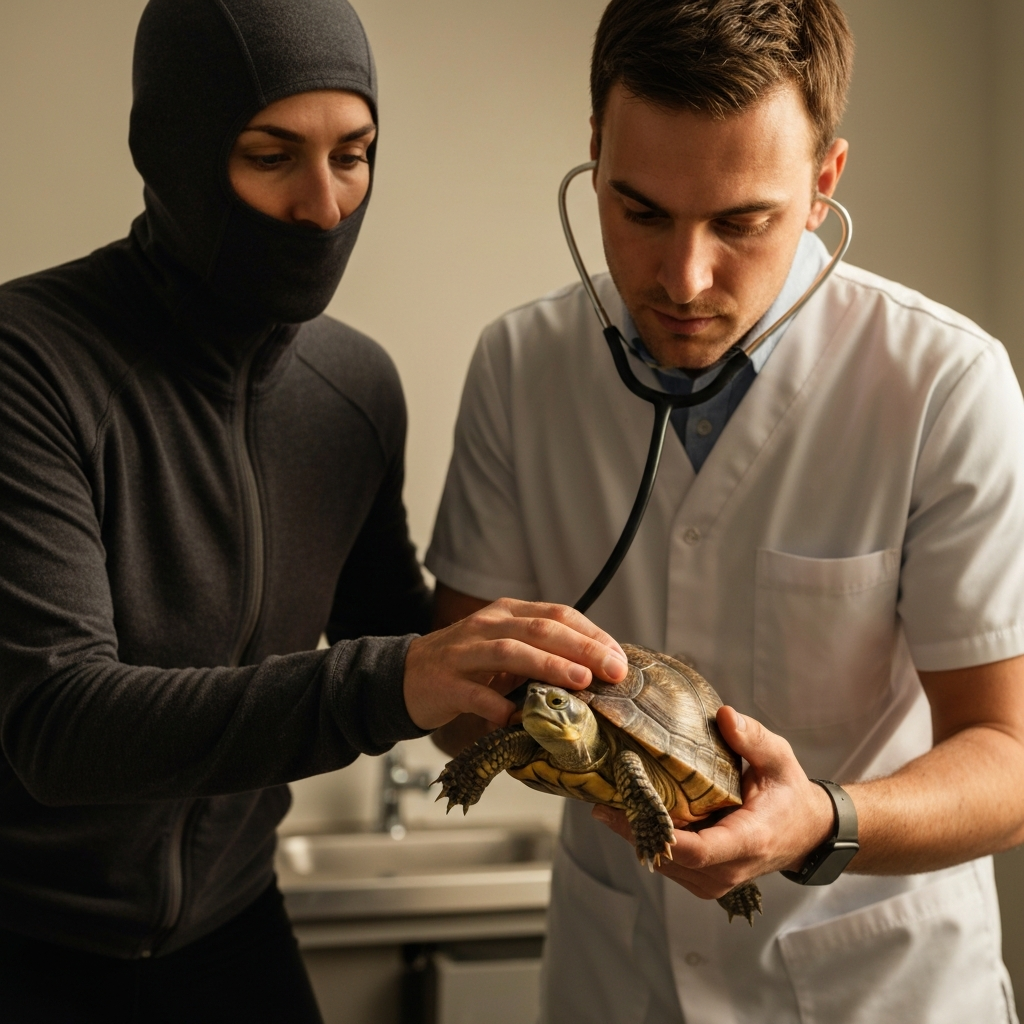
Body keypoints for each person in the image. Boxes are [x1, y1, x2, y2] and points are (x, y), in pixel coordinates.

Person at [0, 1, 629, 1021]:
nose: (325, 205)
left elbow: (402, 655)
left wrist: (570, 703)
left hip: (235, 933)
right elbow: (60, 723)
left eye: (354, 153)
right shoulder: (29, 361)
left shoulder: (354, 390)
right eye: (272, 154)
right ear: (173, 152)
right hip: (31, 946)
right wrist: (400, 675)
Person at [426, 1, 1024, 1020]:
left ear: (823, 181)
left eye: (741, 220)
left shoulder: (942, 384)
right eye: (641, 210)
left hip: (876, 987)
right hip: (614, 976)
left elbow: (1007, 756)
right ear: (594, 155)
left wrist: (824, 821)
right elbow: (454, 691)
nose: (683, 279)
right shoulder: (519, 367)